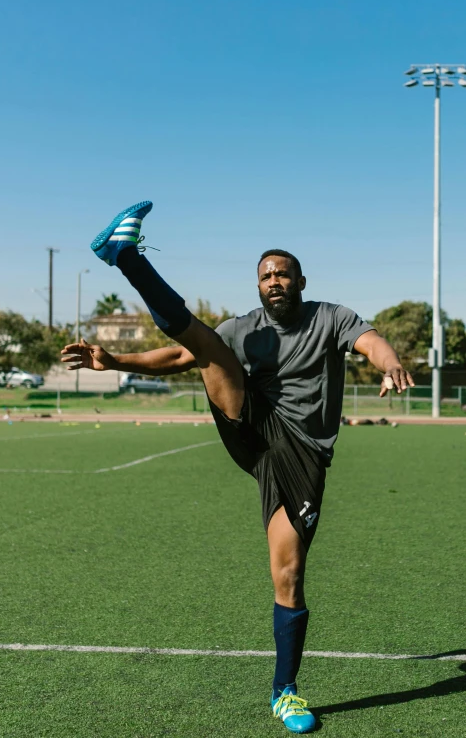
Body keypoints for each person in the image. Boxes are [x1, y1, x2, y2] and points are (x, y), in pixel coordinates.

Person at [61, 201, 414, 734]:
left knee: (289, 573)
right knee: (211, 347)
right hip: (251, 426)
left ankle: (284, 692)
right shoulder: (242, 327)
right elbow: (184, 355)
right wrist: (115, 362)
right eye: (266, 275)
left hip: (302, 453)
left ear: (300, 280)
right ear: (258, 286)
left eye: (282, 273)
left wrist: (390, 364)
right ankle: (126, 257)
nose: (274, 280)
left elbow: (370, 343)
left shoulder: (331, 317)